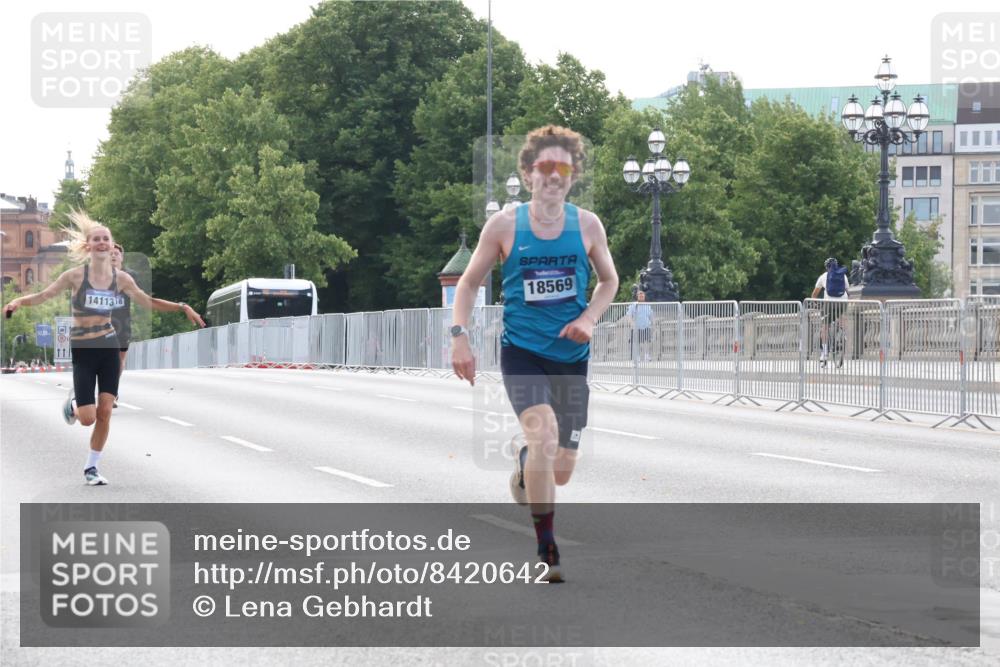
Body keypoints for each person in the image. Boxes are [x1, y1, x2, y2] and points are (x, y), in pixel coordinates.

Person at [451, 125, 619, 582]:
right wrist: (458, 334)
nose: (553, 176)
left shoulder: (587, 225)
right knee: (544, 435)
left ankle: (526, 460)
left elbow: (609, 281)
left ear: (573, 174)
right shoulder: (505, 225)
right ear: (528, 174)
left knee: (561, 470)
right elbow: (467, 284)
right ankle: (547, 551)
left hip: (571, 357)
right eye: (544, 167)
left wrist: (589, 319)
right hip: (522, 353)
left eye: (562, 167)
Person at [3, 211, 205, 485]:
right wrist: (18, 302)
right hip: (84, 349)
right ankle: (74, 406)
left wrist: (182, 307)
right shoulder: (74, 276)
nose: (101, 243)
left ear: (112, 246)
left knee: (106, 410)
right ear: (88, 245)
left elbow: (149, 302)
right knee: (87, 418)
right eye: (96, 239)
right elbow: (43, 295)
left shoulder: (121, 279)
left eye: (105, 239)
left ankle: (91, 468)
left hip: (108, 346)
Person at [810, 257, 849, 367]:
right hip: (842, 302)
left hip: (829, 303)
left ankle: (825, 352)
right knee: (842, 317)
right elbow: (847, 290)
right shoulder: (843, 275)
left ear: (827, 267)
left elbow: (814, 294)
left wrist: (815, 303)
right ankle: (844, 333)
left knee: (825, 326)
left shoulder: (823, 276)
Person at [110, 243, 133, 407]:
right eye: (110, 253)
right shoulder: (97, 277)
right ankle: (107, 391)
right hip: (101, 325)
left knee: (119, 361)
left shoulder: (128, 277)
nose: (113, 256)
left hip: (122, 323)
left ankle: (113, 390)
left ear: (121, 258)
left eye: (116, 253)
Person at [623, 290, 653, 362]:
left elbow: (651, 316)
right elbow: (629, 315)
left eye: (642, 294)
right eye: (639, 294)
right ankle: (637, 356)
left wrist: (652, 324)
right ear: (637, 296)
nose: (641, 295)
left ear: (644, 296)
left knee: (647, 342)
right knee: (637, 342)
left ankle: (647, 355)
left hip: (646, 326)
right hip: (636, 327)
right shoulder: (633, 305)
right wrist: (631, 324)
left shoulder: (648, 306)